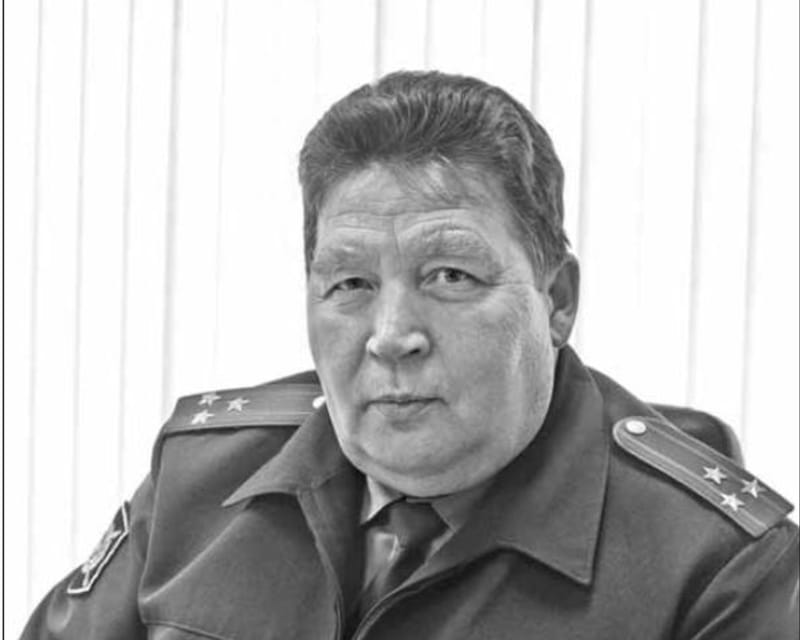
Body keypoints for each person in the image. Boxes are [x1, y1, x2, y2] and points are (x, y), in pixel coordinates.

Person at [21, 71, 798, 639]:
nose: (392, 335)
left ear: (556, 299)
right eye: (351, 283)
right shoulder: (201, 479)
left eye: (449, 276)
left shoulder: (719, 569)